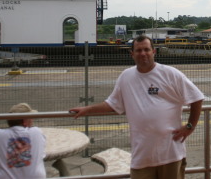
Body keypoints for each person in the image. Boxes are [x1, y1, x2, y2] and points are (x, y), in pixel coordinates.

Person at [70, 35, 204, 179]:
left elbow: (196, 98)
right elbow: (112, 104)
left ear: (154, 51)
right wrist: (87, 110)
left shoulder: (170, 74)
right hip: (142, 156)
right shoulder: (126, 77)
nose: (143, 53)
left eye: (146, 49)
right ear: (132, 54)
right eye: (138, 50)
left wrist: (190, 126)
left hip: (170, 153)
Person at [0, 103, 46, 179]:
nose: (32, 120)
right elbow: (41, 154)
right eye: (30, 117)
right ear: (25, 121)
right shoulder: (37, 132)